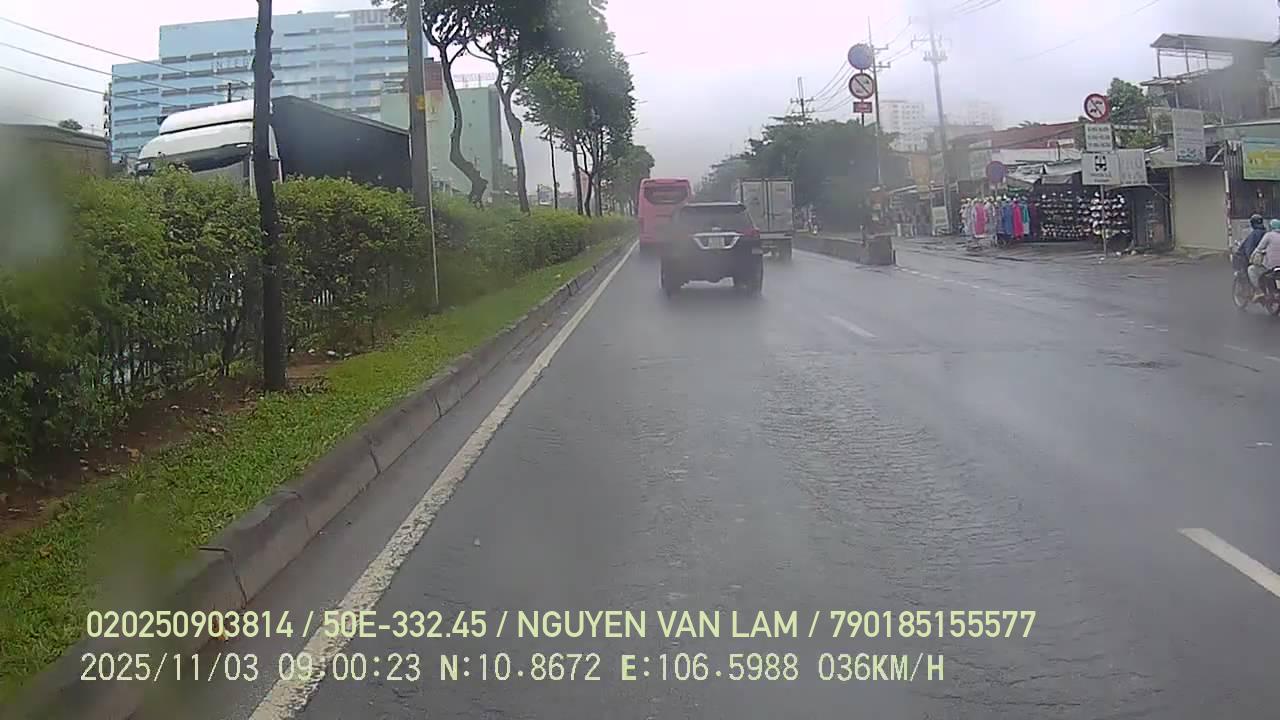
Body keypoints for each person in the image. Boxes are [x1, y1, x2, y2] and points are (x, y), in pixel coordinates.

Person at [1248, 219, 1280, 300]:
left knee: (1251, 270)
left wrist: (1251, 258)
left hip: (1270, 267)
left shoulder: (1268, 235)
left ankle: (1259, 291)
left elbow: (1259, 248)